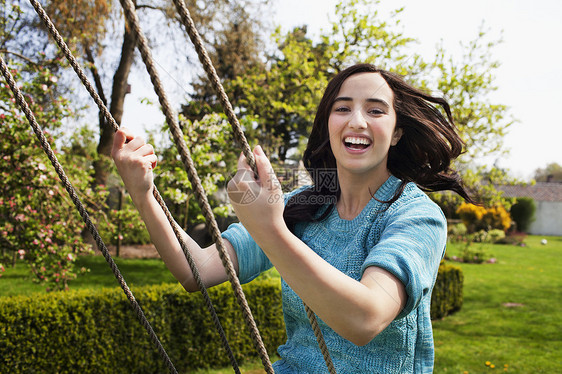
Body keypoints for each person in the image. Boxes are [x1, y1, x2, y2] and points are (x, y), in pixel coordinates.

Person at [111, 63, 473, 373]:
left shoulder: (415, 216)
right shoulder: (302, 205)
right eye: (342, 108)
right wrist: (144, 194)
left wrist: (269, 228)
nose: (357, 121)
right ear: (328, 123)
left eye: (376, 111)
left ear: (396, 133)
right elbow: (197, 270)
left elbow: (366, 319)